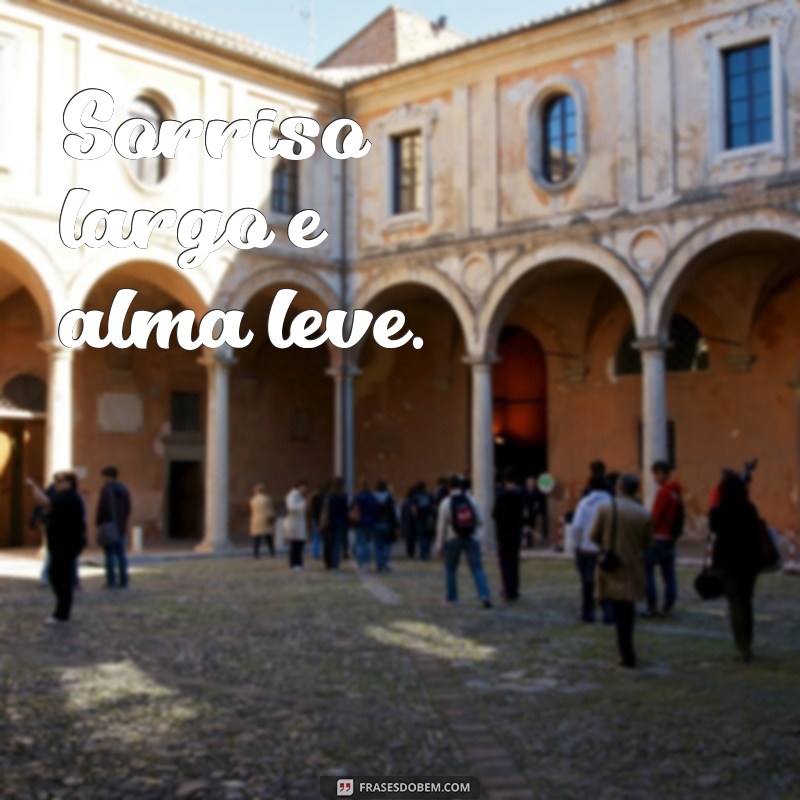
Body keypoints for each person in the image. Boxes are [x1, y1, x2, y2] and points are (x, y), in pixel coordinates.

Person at [589, 473, 652, 668]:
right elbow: (648, 543)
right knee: (627, 611)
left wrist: (607, 545)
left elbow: (593, 535)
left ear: (619, 487)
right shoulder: (643, 513)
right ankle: (627, 652)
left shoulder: (606, 508)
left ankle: (625, 653)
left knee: (618, 611)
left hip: (612, 565)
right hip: (632, 566)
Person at [709, 471, 762, 663]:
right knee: (746, 602)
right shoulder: (749, 509)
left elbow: (713, 527)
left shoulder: (719, 511)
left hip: (727, 561)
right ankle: (746, 642)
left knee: (736, 604)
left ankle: (742, 647)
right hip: (749, 561)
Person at [26, 472, 86, 624]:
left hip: (66, 544)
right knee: (58, 576)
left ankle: (62, 613)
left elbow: (44, 502)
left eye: (61, 481)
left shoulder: (69, 497)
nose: (57, 484)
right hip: (61, 544)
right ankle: (62, 611)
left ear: (69, 483)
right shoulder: (63, 496)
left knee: (60, 577)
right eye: (56, 481)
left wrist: (33, 486)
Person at [435, 475, 492, 608]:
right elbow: (481, 521)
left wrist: (439, 545)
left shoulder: (445, 502)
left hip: (452, 538)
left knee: (450, 569)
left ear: (450, 487)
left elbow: (441, 526)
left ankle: (451, 598)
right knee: (477, 568)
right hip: (471, 537)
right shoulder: (471, 500)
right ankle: (485, 595)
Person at [569, 475, 614, 623]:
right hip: (606, 548)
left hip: (587, 548)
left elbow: (576, 527)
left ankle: (588, 614)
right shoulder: (612, 502)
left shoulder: (585, 503)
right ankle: (608, 613)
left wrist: (576, 545)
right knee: (608, 582)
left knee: (587, 583)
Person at [643, 460, 682, 618]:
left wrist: (646, 533)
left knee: (648, 573)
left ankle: (652, 606)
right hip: (669, 538)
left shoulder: (663, 492)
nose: (655, 477)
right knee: (669, 575)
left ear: (662, 474)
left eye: (656, 474)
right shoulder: (675, 493)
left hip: (657, 538)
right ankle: (668, 605)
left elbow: (655, 517)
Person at [95, 466, 132, 589]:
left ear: (108, 476)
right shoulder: (124, 489)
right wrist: (123, 522)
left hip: (109, 525)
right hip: (120, 526)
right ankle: (123, 580)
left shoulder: (106, 490)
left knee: (109, 554)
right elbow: (128, 508)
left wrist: (99, 522)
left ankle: (110, 581)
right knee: (121, 554)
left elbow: (102, 508)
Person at [493, 468, 525, 602]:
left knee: (505, 561)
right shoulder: (520, 495)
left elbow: (494, 514)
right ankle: (515, 588)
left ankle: (508, 588)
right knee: (514, 560)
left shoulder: (501, 495)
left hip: (503, 532)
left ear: (505, 479)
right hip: (516, 531)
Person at [323, 477, 349, 570]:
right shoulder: (343, 496)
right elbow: (345, 510)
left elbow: (326, 510)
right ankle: (335, 564)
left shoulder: (329, 496)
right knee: (337, 544)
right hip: (340, 522)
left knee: (331, 543)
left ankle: (331, 563)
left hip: (330, 522)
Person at [352, 479, 378, 571]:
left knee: (360, 543)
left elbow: (353, 508)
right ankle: (367, 563)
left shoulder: (358, 497)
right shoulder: (372, 497)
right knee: (368, 543)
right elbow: (375, 510)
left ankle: (360, 563)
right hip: (370, 522)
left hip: (359, 522)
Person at [373, 479, 398, 573]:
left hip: (377, 523)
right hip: (387, 523)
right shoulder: (389, 497)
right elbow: (392, 512)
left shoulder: (374, 497)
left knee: (378, 545)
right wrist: (395, 525)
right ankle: (385, 562)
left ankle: (379, 564)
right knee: (387, 545)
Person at [285, 480, 309, 570]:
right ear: (299, 487)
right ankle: (294, 564)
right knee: (295, 544)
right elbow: (291, 507)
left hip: (298, 523)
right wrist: (303, 505)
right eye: (303, 487)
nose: (305, 489)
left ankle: (299, 563)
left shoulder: (299, 496)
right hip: (294, 523)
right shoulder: (293, 495)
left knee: (300, 544)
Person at [249, 484, 275, 558]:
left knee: (257, 539)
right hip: (265, 519)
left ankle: (256, 554)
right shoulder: (266, 499)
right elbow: (269, 509)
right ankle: (272, 552)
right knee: (268, 538)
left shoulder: (253, 500)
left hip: (256, 519)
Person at [411, 482, 435, 561]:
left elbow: (414, 509)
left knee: (421, 537)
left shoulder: (415, 497)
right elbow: (433, 507)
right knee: (428, 537)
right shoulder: (429, 495)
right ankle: (428, 552)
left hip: (420, 519)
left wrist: (415, 518)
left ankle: (423, 554)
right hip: (428, 518)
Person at [309, 483, 328, 560]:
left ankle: (315, 554)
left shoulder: (314, 497)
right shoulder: (325, 498)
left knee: (316, 538)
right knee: (323, 538)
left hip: (315, 519)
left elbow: (312, 510)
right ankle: (320, 553)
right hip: (322, 520)